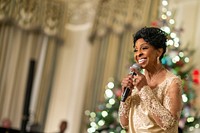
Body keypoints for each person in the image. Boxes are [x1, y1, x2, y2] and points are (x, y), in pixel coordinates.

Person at [118, 27, 183, 133]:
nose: (138, 53)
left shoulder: (172, 83)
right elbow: (124, 123)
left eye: (144, 48)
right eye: (136, 49)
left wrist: (144, 88)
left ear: (159, 52)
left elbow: (169, 124)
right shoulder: (135, 80)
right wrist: (126, 95)